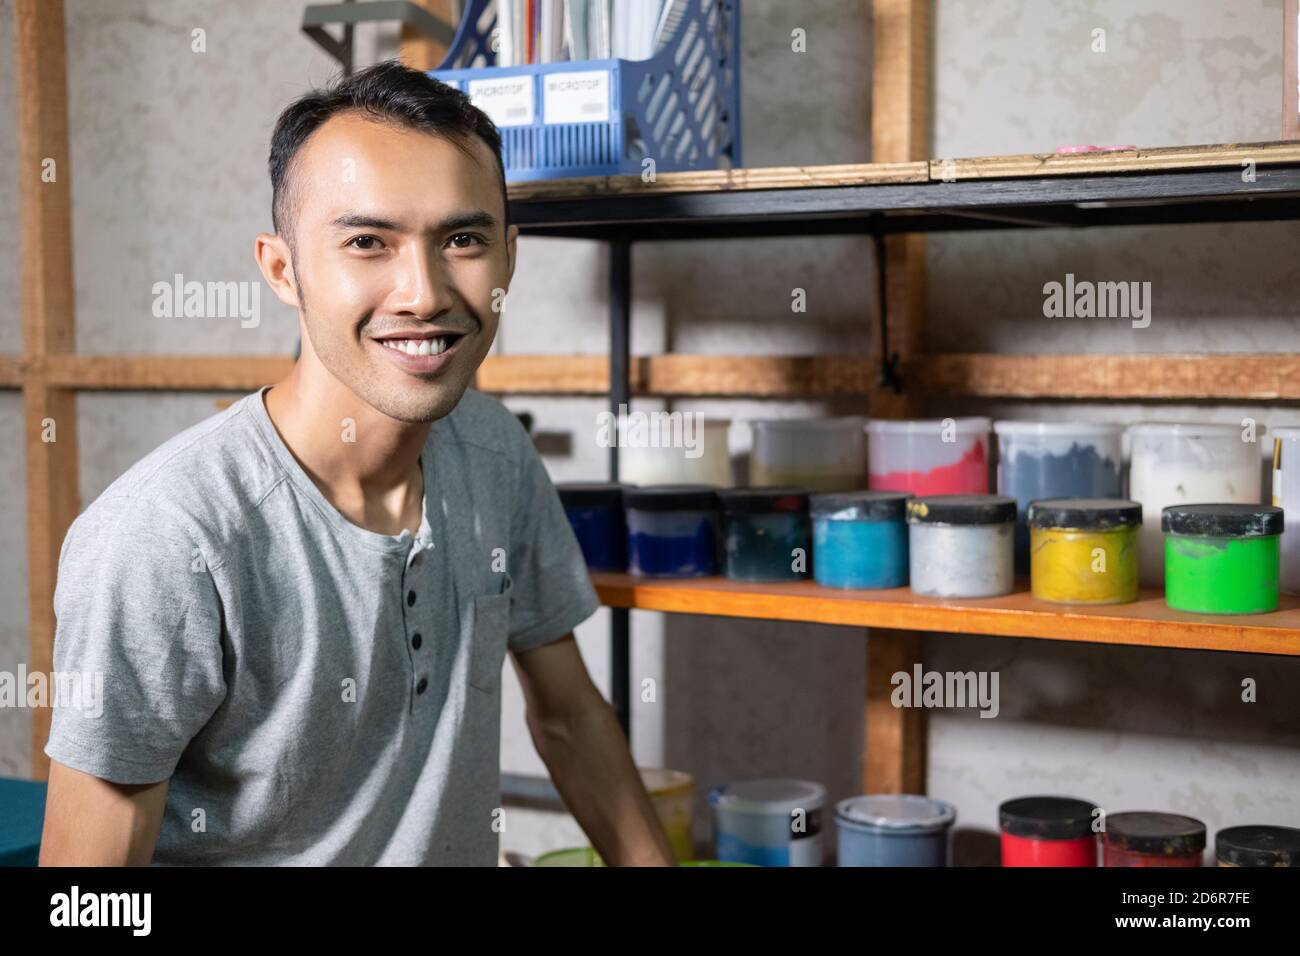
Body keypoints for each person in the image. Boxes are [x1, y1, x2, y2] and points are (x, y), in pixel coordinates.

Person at [39, 60, 675, 866]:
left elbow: (569, 718)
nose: (424, 292)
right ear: (281, 269)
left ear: (508, 259)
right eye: (368, 242)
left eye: (463, 240)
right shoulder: (163, 537)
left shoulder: (493, 452)